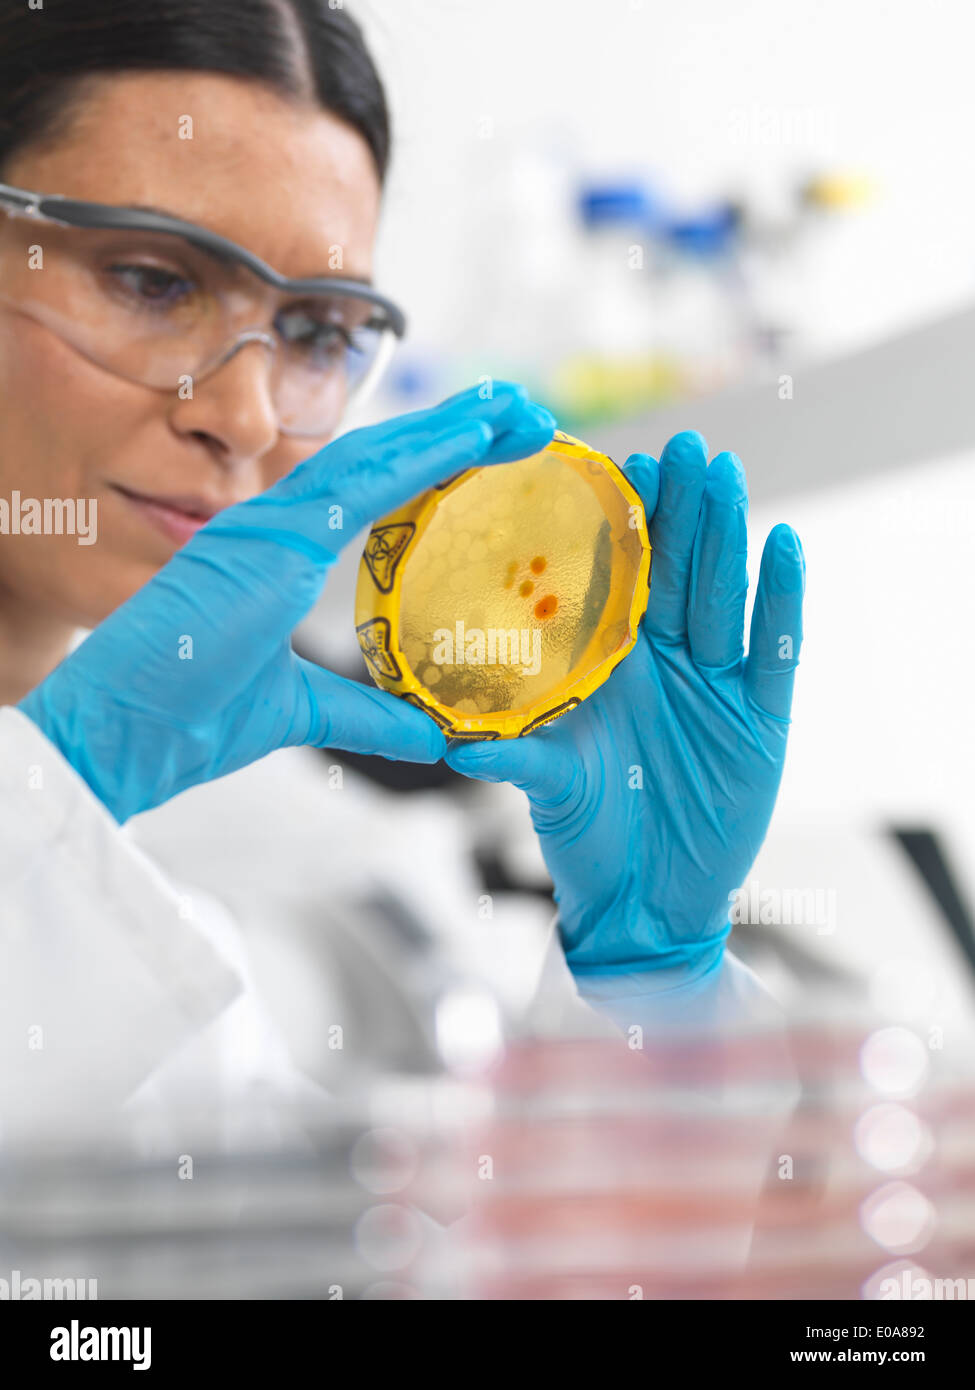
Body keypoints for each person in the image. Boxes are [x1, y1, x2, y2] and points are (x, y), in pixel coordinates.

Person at [0, 1, 805, 1154]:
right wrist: (51, 793)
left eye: (319, 333)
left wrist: (644, 982)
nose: (246, 414)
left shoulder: (162, 968)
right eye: (150, 280)